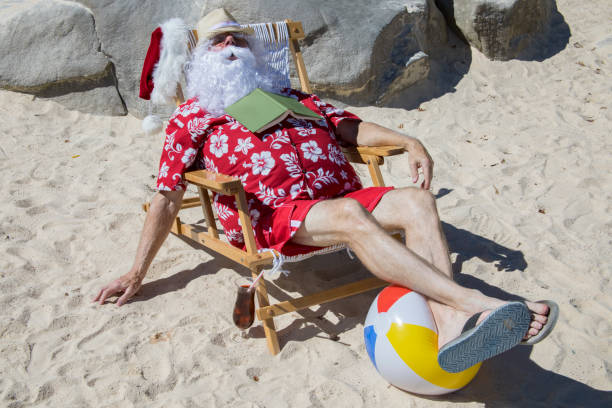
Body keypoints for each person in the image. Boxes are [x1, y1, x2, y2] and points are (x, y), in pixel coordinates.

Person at [94, 8, 558, 372]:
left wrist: (407, 140)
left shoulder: (290, 97)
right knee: (350, 218)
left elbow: (349, 129)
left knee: (416, 200)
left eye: (238, 38)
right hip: (275, 217)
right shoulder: (193, 116)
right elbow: (168, 194)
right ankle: (476, 303)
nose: (230, 45)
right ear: (203, 57)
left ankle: (453, 321)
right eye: (219, 41)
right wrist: (137, 273)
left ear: (254, 51)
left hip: (338, 197)